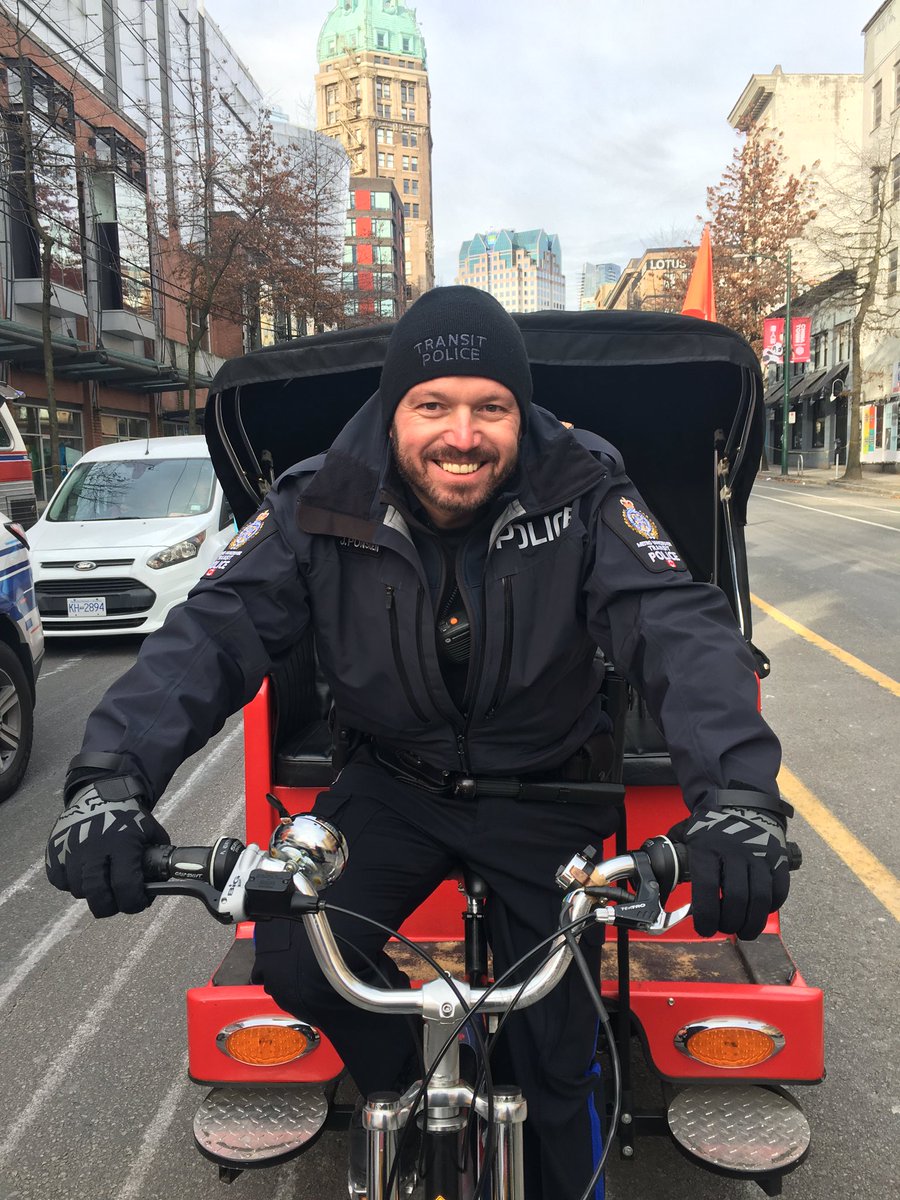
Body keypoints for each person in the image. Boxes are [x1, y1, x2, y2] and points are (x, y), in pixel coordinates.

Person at [46, 286, 792, 1200]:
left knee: (557, 1060)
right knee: (291, 956)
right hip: (389, 785)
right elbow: (212, 631)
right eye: (433, 405)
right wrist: (111, 783)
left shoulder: (585, 484)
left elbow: (679, 627)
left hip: (543, 789)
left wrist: (741, 804)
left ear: (523, 413)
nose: (463, 434)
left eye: (491, 407)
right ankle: (401, 1074)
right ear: (392, 410)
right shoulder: (317, 498)